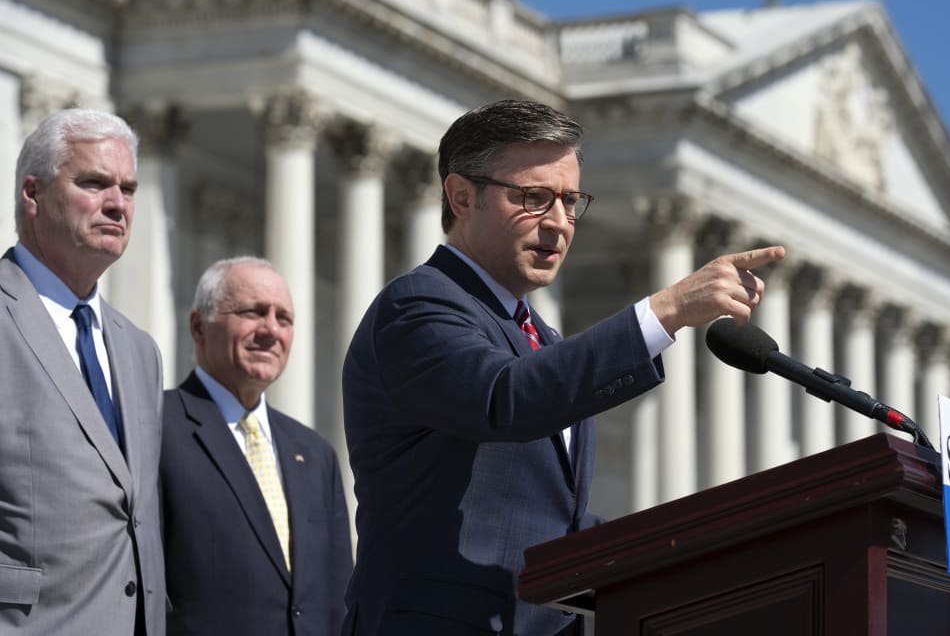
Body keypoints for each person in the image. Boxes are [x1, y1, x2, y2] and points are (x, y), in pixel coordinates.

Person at [342, 98, 785, 635]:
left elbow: (551, 520)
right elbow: (505, 399)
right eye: (534, 198)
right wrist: (664, 311)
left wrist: (695, 554)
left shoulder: (540, 338)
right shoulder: (417, 306)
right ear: (461, 196)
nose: (558, 223)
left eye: (571, 202)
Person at [0, 108, 165, 634]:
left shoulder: (139, 350)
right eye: (94, 183)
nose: (117, 204)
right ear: (33, 194)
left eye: (129, 188)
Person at [160, 257, 354, 635]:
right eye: (253, 312)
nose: (270, 330)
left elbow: (337, 599)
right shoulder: (155, 426)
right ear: (199, 326)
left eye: (284, 318)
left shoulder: (315, 454)